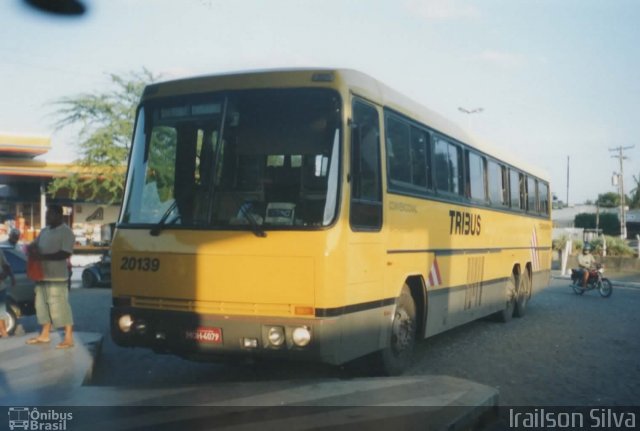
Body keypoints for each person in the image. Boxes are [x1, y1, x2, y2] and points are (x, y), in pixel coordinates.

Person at [26, 204, 76, 349]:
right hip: (41, 275)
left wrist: (42, 257)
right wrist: (31, 248)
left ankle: (68, 337)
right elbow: (32, 245)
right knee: (41, 306)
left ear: (59, 215)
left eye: (50, 215)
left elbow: (65, 253)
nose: (47, 217)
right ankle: (45, 334)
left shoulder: (66, 232)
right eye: (47, 215)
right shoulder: (44, 231)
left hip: (57, 277)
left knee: (60, 305)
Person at [0, 249, 16, 338]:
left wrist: (10, 276)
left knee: (1, 310)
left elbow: (6, 266)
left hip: (1, 287)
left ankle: (3, 331)